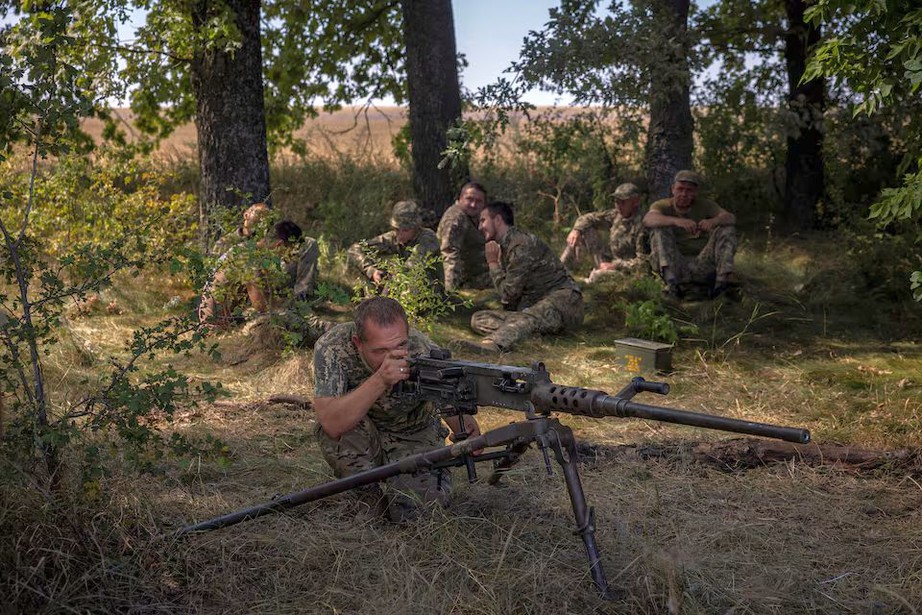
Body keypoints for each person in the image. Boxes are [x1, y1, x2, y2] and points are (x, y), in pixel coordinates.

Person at [312, 297, 481, 521]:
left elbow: (452, 408)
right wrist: (381, 379)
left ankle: (401, 491)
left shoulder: (422, 348)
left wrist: (466, 429)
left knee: (421, 515)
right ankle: (367, 496)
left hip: (414, 435)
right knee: (338, 433)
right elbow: (331, 423)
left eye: (400, 345)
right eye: (380, 351)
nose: (393, 356)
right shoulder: (333, 346)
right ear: (358, 342)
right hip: (362, 435)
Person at [462, 201, 584, 354]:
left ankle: (493, 345)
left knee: (527, 318)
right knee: (479, 318)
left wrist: (493, 264)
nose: (480, 227)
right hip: (534, 308)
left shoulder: (521, 245)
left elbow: (508, 295)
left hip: (563, 302)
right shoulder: (507, 247)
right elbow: (512, 301)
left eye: (483, 220)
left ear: (498, 220)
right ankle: (530, 336)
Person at [643, 170, 738, 298]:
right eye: (680, 189)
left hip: (701, 263)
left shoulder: (706, 205)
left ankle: (721, 284)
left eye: (689, 190)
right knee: (659, 229)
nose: (684, 194)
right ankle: (671, 285)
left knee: (727, 230)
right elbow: (648, 219)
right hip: (676, 264)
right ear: (673, 189)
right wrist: (677, 221)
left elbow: (730, 218)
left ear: (695, 193)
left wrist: (714, 221)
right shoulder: (663, 205)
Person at [560, 182, 648, 283]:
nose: (618, 206)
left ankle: (585, 283)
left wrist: (616, 265)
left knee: (598, 276)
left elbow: (643, 263)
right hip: (609, 260)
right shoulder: (615, 215)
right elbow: (588, 218)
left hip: (627, 272)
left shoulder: (643, 225)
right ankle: (558, 270)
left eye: (623, 202)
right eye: (616, 201)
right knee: (583, 232)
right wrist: (576, 230)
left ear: (635, 202)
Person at [348, 200, 442, 291]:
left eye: (405, 230)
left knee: (414, 280)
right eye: (397, 229)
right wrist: (372, 271)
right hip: (399, 285)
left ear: (416, 228)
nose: (400, 235)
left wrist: (391, 282)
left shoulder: (428, 238)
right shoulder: (392, 237)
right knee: (365, 276)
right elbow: (355, 249)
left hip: (431, 294)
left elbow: (411, 267)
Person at [436, 182, 492, 291]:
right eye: (469, 199)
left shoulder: (472, 216)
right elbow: (449, 255)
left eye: (478, 201)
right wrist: (448, 294)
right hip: (467, 281)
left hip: (478, 274)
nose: (473, 204)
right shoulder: (456, 219)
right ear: (460, 198)